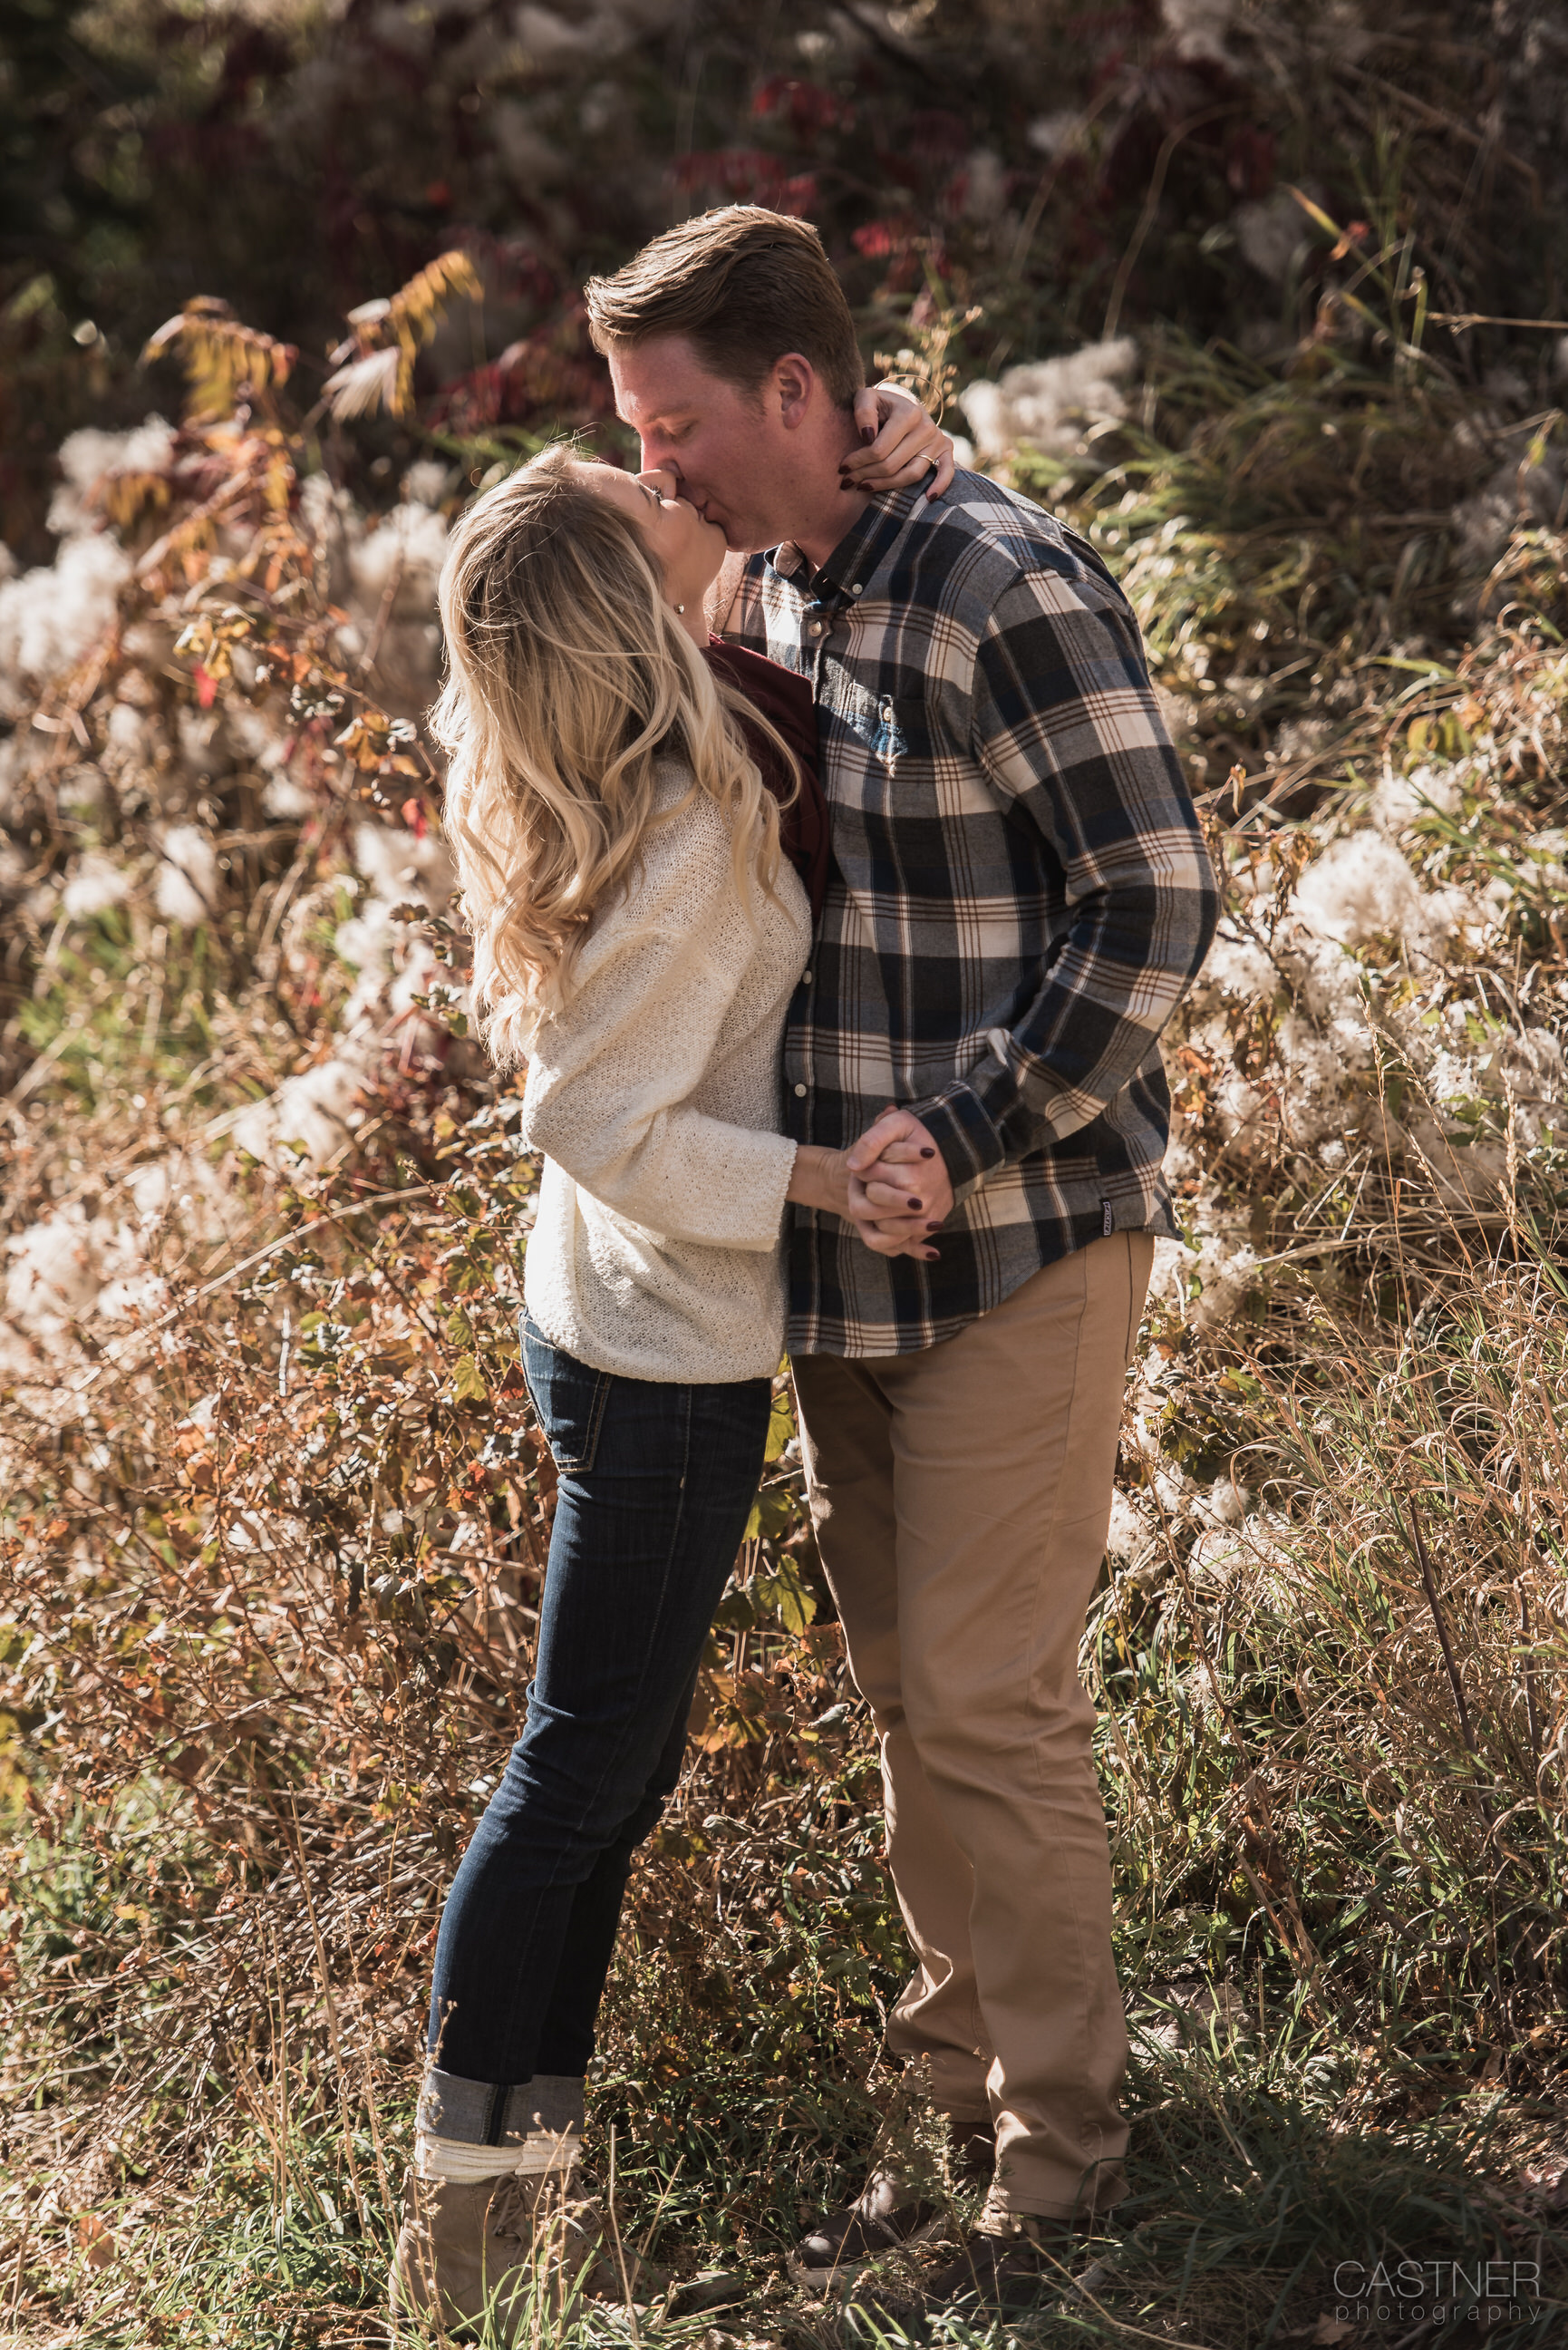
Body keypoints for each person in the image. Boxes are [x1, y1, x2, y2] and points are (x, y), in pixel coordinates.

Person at [586, 205, 1220, 2308]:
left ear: (795, 390)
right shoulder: (765, 569)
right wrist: (666, 505)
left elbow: (1150, 894)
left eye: (676, 424)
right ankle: (951, 2102)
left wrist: (962, 1126)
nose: (652, 466)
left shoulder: (992, 574)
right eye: (628, 433)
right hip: (839, 1270)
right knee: (902, 1702)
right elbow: (563, 552)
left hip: (1019, 1232)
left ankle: (1069, 2178)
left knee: (984, 1694)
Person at [390, 390, 953, 2335]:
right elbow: (592, 1116)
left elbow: (800, 570)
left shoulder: (683, 739)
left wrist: (902, 455)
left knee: (604, 1784)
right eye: (641, 494)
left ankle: (525, 2208)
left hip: (630, 1328)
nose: (667, 482)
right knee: (575, 1780)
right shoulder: (685, 834)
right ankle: (462, 2252)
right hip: (654, 1363)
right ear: (631, 607)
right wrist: (813, 1175)